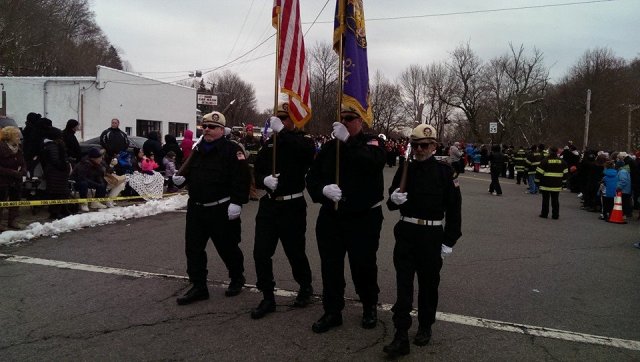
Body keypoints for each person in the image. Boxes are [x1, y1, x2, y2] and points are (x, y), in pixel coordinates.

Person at [382, 124, 462, 357]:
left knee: (428, 286)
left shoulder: (445, 172)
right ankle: (400, 334)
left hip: (431, 236)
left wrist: (449, 241)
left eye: (424, 145)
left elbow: (454, 210)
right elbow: (392, 199)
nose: (419, 149)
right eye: (415, 145)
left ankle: (425, 326)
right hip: (406, 233)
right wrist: (393, 199)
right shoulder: (405, 168)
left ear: (434, 146)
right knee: (403, 285)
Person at [305, 105, 386, 333]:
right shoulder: (330, 148)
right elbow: (312, 177)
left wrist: (349, 142)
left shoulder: (371, 143)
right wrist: (322, 190)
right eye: (341, 119)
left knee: (363, 265)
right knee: (330, 265)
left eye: (350, 118)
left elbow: (373, 164)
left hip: (363, 217)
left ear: (361, 121)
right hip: (332, 216)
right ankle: (332, 310)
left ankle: (369, 306)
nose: (345, 122)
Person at [172, 111, 250, 305]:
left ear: (222, 130)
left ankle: (237, 278)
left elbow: (242, 178)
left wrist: (237, 202)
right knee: (194, 249)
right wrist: (181, 180)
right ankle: (199, 286)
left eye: (212, 127)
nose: (206, 129)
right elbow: (191, 173)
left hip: (220, 209)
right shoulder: (198, 150)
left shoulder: (232, 150)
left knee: (227, 247)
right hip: (197, 208)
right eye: (204, 126)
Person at [249, 102, 316, 319]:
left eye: (286, 118)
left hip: (292, 206)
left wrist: (283, 132)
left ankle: (305, 286)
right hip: (269, 205)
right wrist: (263, 180)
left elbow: (307, 153)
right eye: (279, 117)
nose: (281, 121)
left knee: (295, 252)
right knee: (261, 252)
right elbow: (257, 172)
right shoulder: (269, 145)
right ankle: (267, 296)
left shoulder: (301, 141)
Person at [41, 127, 72, 219]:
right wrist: (63, 166)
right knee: (56, 193)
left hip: (59, 173)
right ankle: (55, 212)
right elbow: (55, 160)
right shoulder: (52, 146)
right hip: (55, 173)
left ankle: (63, 209)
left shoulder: (54, 145)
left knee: (63, 192)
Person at [0, 126, 27, 230]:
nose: (19, 138)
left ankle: (13, 221)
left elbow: (23, 162)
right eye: (16, 135)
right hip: (3, 180)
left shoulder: (18, 148)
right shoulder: (1, 147)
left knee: (15, 201)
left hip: (16, 181)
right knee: (1, 201)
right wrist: (13, 172)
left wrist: (23, 171)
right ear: (9, 136)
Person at [71, 147, 108, 212]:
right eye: (99, 158)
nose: (101, 159)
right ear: (93, 158)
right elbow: (82, 178)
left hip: (90, 180)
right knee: (83, 184)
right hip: (77, 182)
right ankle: (84, 203)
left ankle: (95, 202)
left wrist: (100, 182)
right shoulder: (84, 164)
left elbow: (99, 175)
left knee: (102, 183)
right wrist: (96, 184)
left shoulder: (97, 164)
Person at [535, 146, 568, 219]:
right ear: (557, 152)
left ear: (549, 152)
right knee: (555, 200)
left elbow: (538, 173)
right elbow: (565, 174)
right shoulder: (562, 162)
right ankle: (555, 215)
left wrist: (537, 182)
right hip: (557, 185)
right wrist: (564, 183)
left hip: (545, 184)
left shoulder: (545, 161)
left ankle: (544, 214)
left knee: (545, 200)